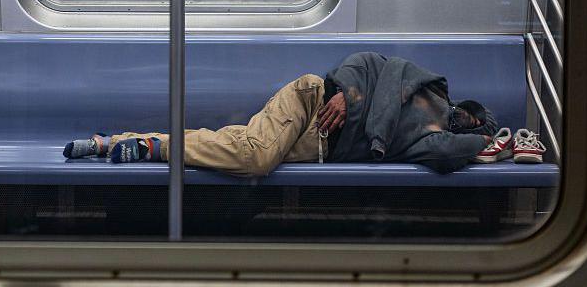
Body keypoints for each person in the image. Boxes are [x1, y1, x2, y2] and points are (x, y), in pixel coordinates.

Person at [63, 52, 498, 175]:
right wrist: (350, 93)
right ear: (463, 107)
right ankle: (153, 149)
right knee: (257, 158)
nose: (468, 126)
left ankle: (117, 142)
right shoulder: (425, 86)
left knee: (233, 143)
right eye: (474, 119)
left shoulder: (431, 142)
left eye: (478, 130)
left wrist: (488, 145)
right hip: (310, 100)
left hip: (319, 145)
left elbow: (446, 156)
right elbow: (368, 64)